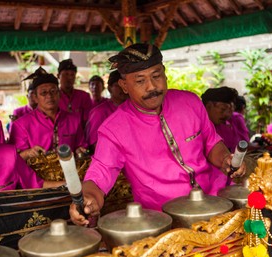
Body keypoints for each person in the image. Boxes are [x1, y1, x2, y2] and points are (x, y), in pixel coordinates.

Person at [70, 43, 246, 226]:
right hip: (165, 219)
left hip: (217, 203)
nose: (152, 86)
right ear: (124, 85)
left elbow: (211, 142)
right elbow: (100, 173)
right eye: (140, 81)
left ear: (164, 72)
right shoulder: (114, 129)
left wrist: (226, 158)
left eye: (156, 76)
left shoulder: (190, 102)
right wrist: (89, 197)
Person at [9, 67, 87, 161]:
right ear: (35, 97)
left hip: (68, 173)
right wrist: (28, 153)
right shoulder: (21, 125)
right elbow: (13, 158)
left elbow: (81, 146)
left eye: (53, 91)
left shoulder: (73, 120)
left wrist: (80, 151)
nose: (49, 96)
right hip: (34, 175)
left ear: (59, 94)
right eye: (43, 93)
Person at [85, 70, 128, 151]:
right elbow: (95, 144)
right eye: (118, 85)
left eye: (126, 84)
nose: (123, 89)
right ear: (109, 88)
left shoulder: (136, 109)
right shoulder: (98, 112)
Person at [202, 86, 248, 152]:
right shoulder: (196, 128)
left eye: (230, 111)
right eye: (222, 109)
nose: (227, 115)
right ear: (209, 106)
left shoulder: (227, 126)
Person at [57, 59, 92, 127]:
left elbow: (88, 122)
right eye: (66, 74)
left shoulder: (84, 96)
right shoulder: (52, 97)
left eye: (72, 74)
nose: (69, 77)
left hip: (80, 136)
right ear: (58, 76)